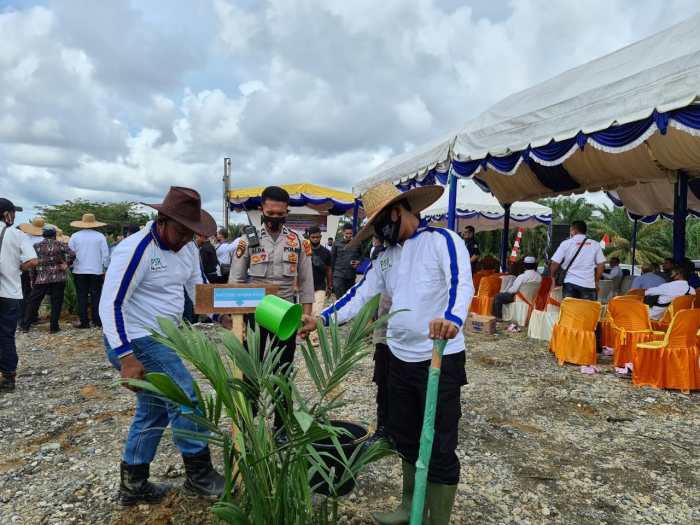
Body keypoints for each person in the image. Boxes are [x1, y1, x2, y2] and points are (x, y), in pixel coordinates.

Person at [301, 181, 473, 525]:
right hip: (399, 358)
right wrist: (321, 320)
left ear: (399, 211)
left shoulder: (443, 242)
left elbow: (461, 283)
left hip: (439, 356)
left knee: (439, 444)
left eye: (381, 224)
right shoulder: (385, 258)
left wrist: (452, 319)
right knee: (406, 438)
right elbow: (359, 296)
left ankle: (436, 519)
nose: (379, 233)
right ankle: (409, 507)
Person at [100, 186, 224, 506]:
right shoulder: (135, 250)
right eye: (182, 231)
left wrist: (221, 315)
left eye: (191, 233)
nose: (185, 239)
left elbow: (198, 290)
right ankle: (200, 475)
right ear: (162, 219)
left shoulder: (187, 248)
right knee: (184, 394)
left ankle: (133, 482)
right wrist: (126, 357)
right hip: (134, 338)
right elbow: (110, 305)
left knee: (154, 409)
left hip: (166, 338)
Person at [228, 185, 314, 432]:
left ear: (287, 211)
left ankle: (282, 426)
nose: (275, 218)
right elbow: (236, 281)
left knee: (283, 370)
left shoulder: (298, 242)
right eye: (270, 213)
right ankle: (247, 422)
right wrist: (236, 322)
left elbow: (307, 283)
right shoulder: (247, 240)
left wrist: (308, 315)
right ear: (261, 210)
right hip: (254, 316)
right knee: (250, 369)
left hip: (285, 316)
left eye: (280, 214)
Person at [0, 199, 38, 393]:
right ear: (7, 213)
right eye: (13, 213)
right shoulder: (17, 234)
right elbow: (33, 260)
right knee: (6, 335)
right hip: (9, 293)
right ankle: (8, 378)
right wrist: (19, 268)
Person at [21, 226, 75, 334]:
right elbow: (72, 254)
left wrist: (32, 278)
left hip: (41, 277)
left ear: (43, 235)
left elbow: (33, 263)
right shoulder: (60, 244)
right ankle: (54, 327)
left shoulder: (36, 246)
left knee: (34, 302)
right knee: (56, 302)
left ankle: (26, 326)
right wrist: (67, 264)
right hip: (58, 277)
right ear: (54, 235)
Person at [69, 213, 110, 328]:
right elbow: (105, 255)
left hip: (79, 270)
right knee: (96, 296)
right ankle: (97, 320)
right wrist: (104, 268)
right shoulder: (100, 236)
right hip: (96, 271)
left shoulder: (75, 236)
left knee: (81, 296)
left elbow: (70, 253)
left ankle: (84, 321)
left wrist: (71, 265)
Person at [550, 220, 605, 300]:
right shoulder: (595, 244)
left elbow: (555, 263)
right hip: (589, 284)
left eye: (570, 230)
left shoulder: (566, 243)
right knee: (587, 311)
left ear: (574, 230)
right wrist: (596, 281)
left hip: (570, 284)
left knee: (570, 311)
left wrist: (552, 278)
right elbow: (601, 265)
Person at [331, 224, 361, 298]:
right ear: (343, 233)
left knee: (349, 296)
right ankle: (339, 309)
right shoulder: (336, 243)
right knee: (339, 294)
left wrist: (359, 261)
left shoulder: (357, 243)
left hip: (351, 275)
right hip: (338, 274)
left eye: (350, 233)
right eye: (347, 233)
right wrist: (331, 275)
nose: (349, 235)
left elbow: (362, 256)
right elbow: (332, 258)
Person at [308, 226, 332, 317]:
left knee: (317, 313)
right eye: (313, 237)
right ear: (309, 237)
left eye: (317, 237)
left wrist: (329, 286)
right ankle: (306, 331)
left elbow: (329, 269)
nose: (315, 239)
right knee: (306, 314)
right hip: (305, 287)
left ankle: (314, 332)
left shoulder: (326, 252)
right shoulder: (303, 251)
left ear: (321, 237)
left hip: (320, 286)